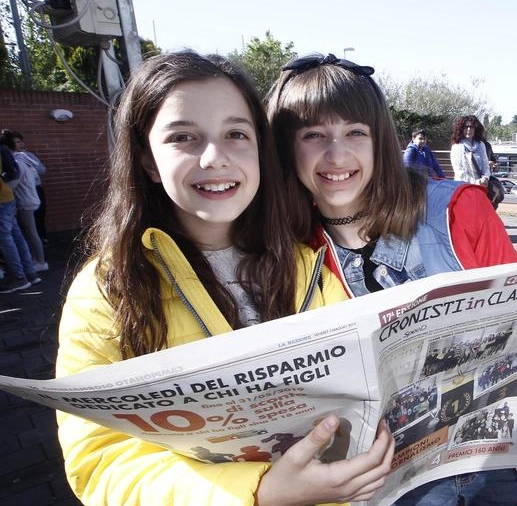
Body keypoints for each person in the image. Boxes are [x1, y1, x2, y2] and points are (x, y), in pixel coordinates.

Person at [55, 51, 394, 506]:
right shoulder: (107, 290)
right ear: (148, 161)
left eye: (236, 134)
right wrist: (258, 493)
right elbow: (99, 461)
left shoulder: (307, 266)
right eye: (183, 137)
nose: (214, 157)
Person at [268, 52, 517, 506]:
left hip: (496, 461)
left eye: (356, 132)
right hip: (386, 485)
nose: (337, 155)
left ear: (380, 140)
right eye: (313, 135)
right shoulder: (286, 254)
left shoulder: (461, 213)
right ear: (285, 147)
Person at [1, 130, 47, 271]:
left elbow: (14, 181)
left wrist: (4, 183)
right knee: (28, 232)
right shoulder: (24, 158)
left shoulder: (18, 160)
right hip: (30, 196)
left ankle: (40, 261)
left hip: (26, 200)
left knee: (31, 232)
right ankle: (37, 260)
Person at [0, 143, 40, 293]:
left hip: (2, 200)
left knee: (6, 239)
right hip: (8, 197)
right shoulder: (3, 149)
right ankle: (30, 273)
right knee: (16, 236)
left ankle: (19, 278)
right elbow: (12, 172)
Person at [450, 115, 491, 186]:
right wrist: (476, 182)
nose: (469, 129)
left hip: (481, 185)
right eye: (466, 127)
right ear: (461, 129)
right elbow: (459, 172)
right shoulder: (456, 147)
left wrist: (486, 177)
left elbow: (486, 166)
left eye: (471, 127)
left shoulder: (481, 145)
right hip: (463, 186)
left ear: (476, 128)